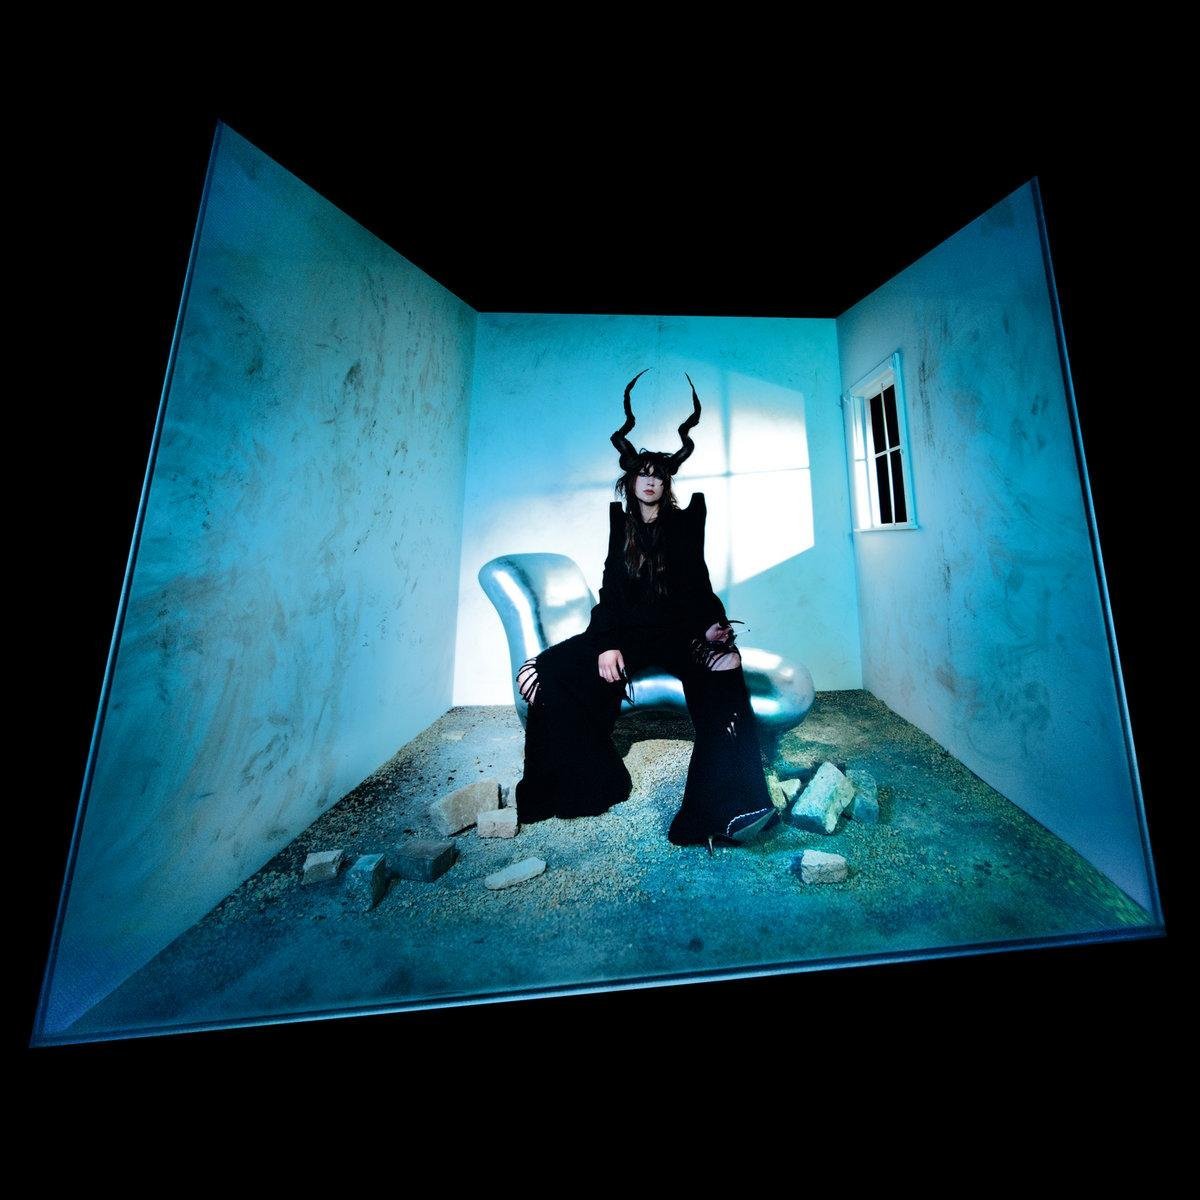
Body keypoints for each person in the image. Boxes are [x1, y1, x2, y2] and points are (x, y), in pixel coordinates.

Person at [512, 369, 778, 854]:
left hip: (680, 634)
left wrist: (713, 628)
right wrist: (607, 643)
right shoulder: (621, 525)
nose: (650, 481)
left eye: (658, 475)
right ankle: (584, 785)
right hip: (629, 633)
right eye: (642, 473)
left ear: (666, 482)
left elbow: (699, 584)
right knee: (545, 673)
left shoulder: (685, 522)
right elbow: (610, 591)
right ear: (630, 480)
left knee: (725, 670)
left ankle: (724, 810)